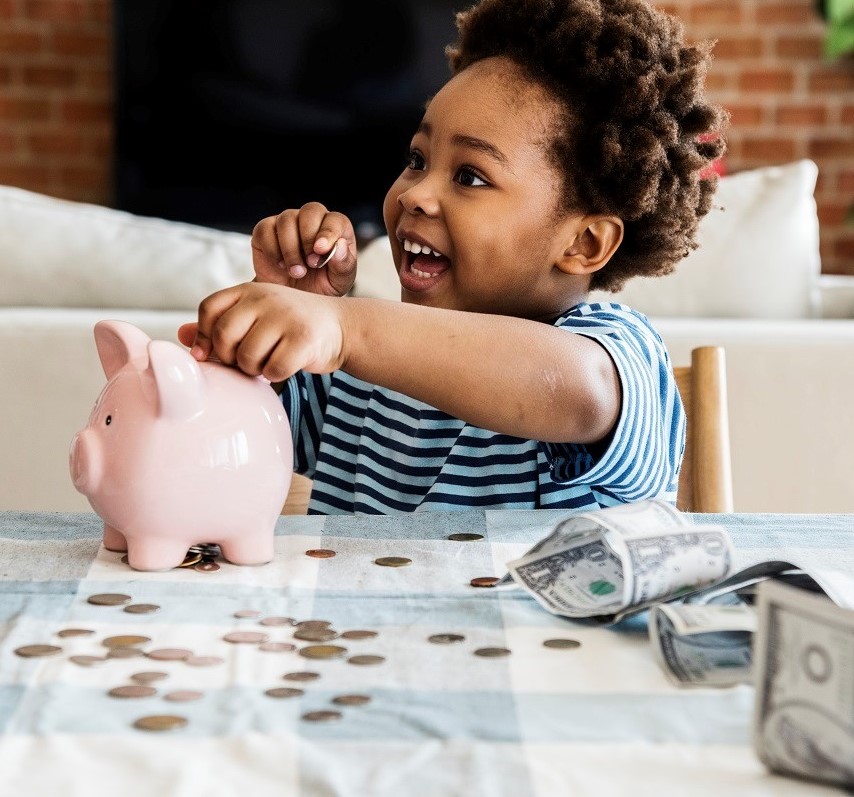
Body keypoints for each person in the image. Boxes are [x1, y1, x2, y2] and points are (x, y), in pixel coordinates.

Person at [178, 0, 727, 515]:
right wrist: (286, 311)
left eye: (470, 176)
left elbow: (583, 392)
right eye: (418, 159)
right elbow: (222, 443)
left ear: (583, 244)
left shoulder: (616, 351)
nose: (414, 193)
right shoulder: (356, 372)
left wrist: (347, 328)